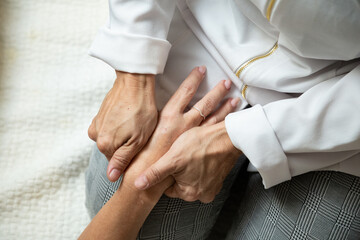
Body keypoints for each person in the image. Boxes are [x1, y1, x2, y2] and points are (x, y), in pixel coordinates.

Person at [85, 0, 360, 239]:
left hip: (338, 105)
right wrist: (133, 75)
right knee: (131, 223)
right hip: (205, 38)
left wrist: (240, 138)